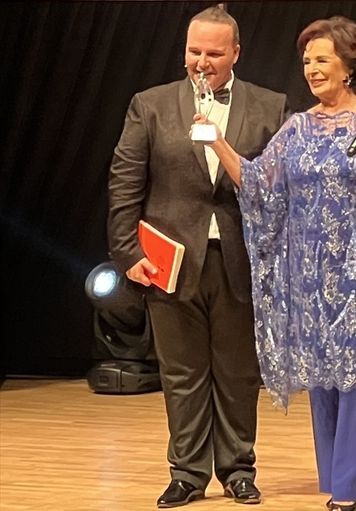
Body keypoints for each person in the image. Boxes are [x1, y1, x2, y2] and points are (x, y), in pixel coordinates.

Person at [194, 16, 356, 511]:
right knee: (324, 379)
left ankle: (351, 488)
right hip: (310, 280)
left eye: (322, 59)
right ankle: (339, 479)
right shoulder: (298, 127)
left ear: (348, 66)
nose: (312, 69)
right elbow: (259, 184)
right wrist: (216, 141)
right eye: (306, 61)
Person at [108, 6, 288, 508]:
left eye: (213, 52)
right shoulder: (150, 104)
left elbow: (279, 189)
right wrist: (127, 252)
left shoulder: (271, 107)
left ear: (236, 53)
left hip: (240, 260)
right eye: (193, 51)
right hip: (169, 263)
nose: (201, 62)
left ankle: (238, 470)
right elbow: (125, 181)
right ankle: (187, 473)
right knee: (181, 374)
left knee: (237, 373)